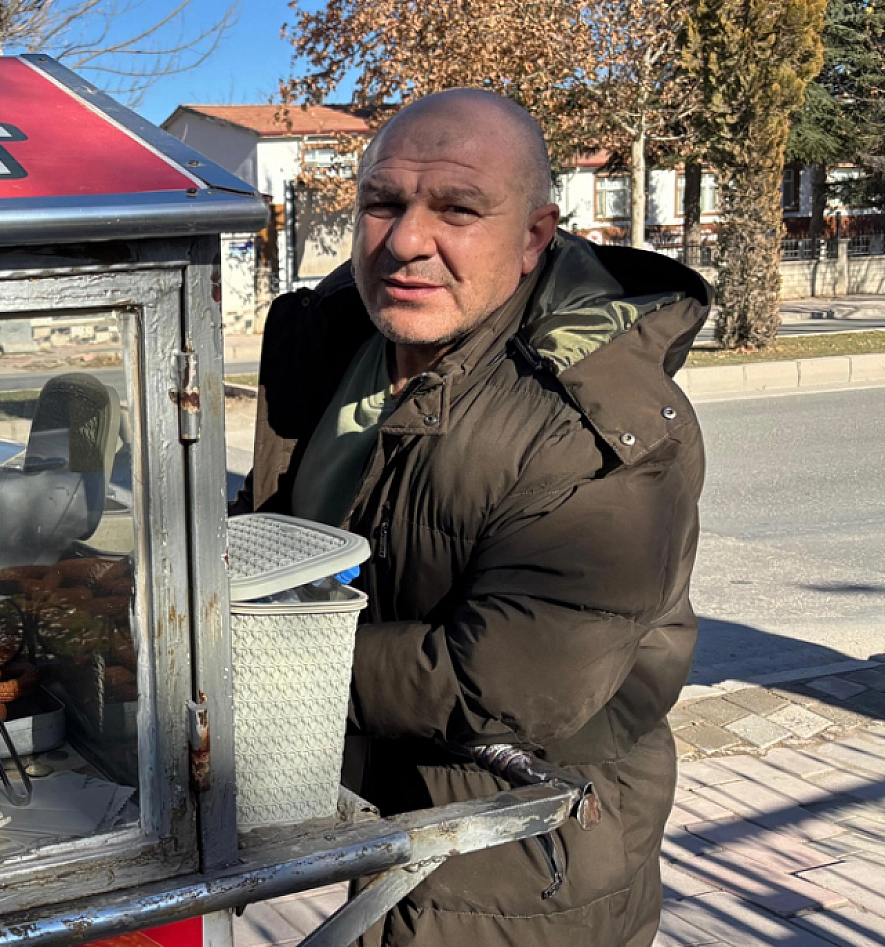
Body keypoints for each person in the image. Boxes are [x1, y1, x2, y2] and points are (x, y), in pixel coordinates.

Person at [231, 88, 709, 946]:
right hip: (375, 820)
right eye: (383, 203)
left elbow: (506, 678)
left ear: (533, 236)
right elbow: (276, 528)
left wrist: (244, 656)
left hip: (522, 863)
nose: (408, 240)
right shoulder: (338, 342)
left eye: (458, 208)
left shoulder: (597, 426)